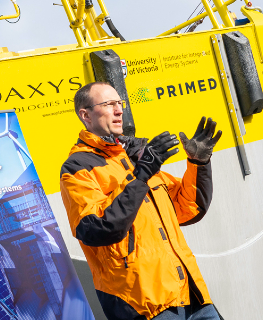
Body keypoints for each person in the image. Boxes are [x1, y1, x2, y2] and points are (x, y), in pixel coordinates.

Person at [59, 81, 223, 320]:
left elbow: (189, 207)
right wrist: (142, 174)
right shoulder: (77, 167)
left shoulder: (136, 156)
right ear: (86, 115)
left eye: (119, 103)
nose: (118, 110)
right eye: (109, 104)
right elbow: (98, 228)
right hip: (143, 305)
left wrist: (199, 163)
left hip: (191, 295)